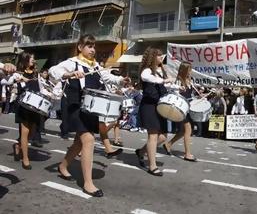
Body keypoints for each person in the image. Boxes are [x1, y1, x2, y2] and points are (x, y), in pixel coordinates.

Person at [49, 34, 130, 197]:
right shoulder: (72, 62)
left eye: (94, 46)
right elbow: (53, 71)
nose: (93, 49)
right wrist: (70, 74)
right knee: (89, 140)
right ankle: (88, 183)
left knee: (79, 143)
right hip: (74, 106)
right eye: (89, 46)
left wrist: (122, 80)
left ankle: (63, 166)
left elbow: (110, 77)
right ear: (80, 47)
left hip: (90, 109)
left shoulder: (96, 67)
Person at [134, 46, 173, 177]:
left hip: (160, 106)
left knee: (163, 136)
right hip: (149, 106)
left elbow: (166, 85)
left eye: (162, 55)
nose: (161, 57)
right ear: (152, 57)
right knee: (153, 135)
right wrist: (163, 80)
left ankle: (141, 152)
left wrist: (177, 85)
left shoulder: (161, 71)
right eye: (159, 55)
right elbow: (146, 78)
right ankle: (152, 166)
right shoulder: (147, 71)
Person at [9, 53, 50, 169]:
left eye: (33, 58)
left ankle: (18, 145)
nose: (34, 60)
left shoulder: (37, 73)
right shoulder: (18, 73)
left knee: (31, 133)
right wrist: (22, 79)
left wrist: (50, 94)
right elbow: (15, 81)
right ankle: (25, 158)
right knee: (25, 132)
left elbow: (41, 88)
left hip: (35, 105)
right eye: (31, 58)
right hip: (24, 105)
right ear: (25, 60)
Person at [162, 61, 197, 162]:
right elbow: (175, 95)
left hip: (188, 108)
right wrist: (180, 91)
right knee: (188, 130)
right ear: (185, 70)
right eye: (189, 69)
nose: (191, 71)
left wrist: (198, 97)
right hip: (181, 108)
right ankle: (187, 154)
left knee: (182, 132)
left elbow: (191, 95)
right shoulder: (178, 81)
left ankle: (168, 144)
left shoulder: (190, 81)